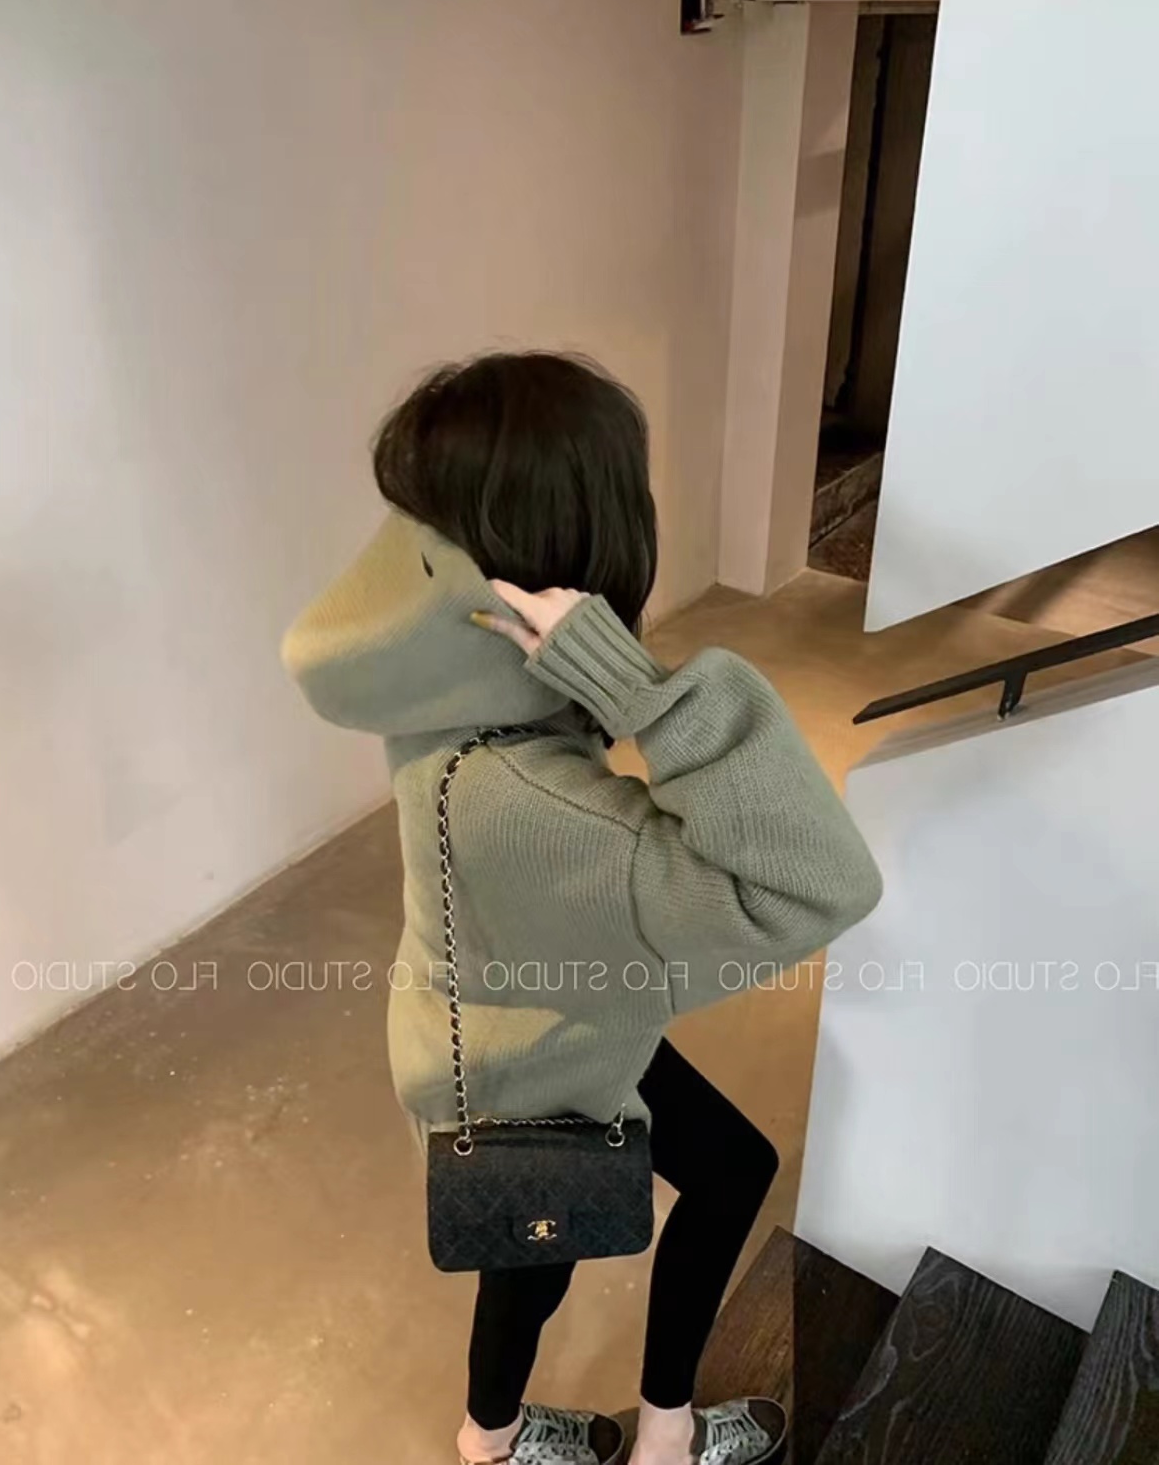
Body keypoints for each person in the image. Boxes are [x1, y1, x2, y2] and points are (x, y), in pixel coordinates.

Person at [282, 352, 882, 1465]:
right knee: (557, 1239)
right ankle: (617, 1440)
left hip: (495, 1024)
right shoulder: (541, 804)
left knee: (562, 1242)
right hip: (545, 1060)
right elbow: (817, 881)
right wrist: (642, 691)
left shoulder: (433, 689)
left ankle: (523, 1437)